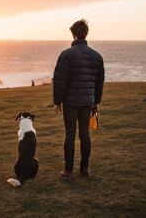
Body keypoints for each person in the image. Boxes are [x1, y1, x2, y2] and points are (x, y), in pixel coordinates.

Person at [53, 19, 105, 179]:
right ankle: (85, 169)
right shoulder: (97, 56)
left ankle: (68, 171)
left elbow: (59, 80)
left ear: (73, 34)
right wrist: (96, 101)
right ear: (86, 34)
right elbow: (99, 82)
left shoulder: (66, 55)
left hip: (70, 102)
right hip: (87, 102)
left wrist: (57, 102)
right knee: (85, 135)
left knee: (70, 135)